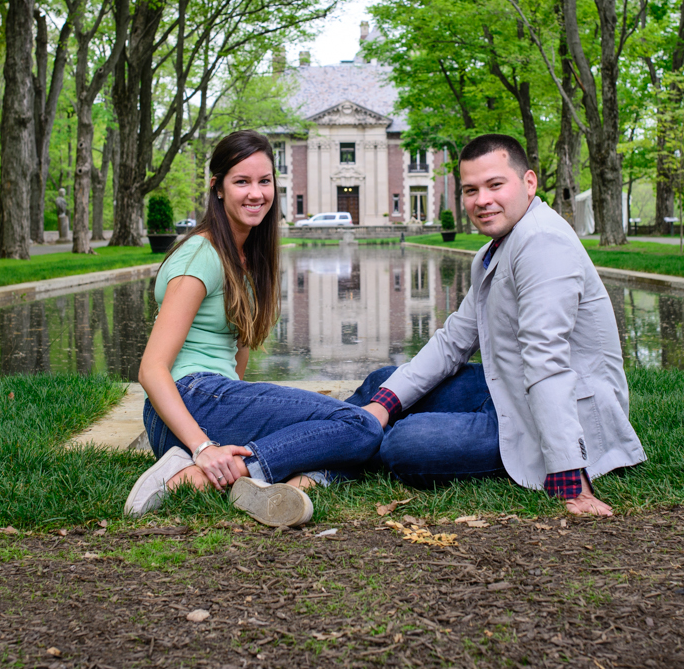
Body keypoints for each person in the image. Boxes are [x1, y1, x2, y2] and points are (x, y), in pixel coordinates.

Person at [347, 133, 645, 516]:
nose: (481, 200)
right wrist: (386, 404)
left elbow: (547, 359)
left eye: (495, 185)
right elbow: (453, 340)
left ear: (529, 183)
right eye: (471, 189)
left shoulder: (543, 243)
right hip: (505, 387)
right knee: (382, 384)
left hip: (564, 413)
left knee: (406, 444)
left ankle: (326, 458)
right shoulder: (494, 250)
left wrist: (569, 473)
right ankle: (322, 453)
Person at [124, 130, 383, 526]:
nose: (256, 193)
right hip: (189, 402)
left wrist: (238, 414)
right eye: (241, 182)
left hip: (208, 407)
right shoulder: (201, 255)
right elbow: (151, 369)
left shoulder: (248, 258)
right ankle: (203, 474)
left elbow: (237, 361)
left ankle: (291, 485)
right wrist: (204, 446)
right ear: (218, 189)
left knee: (352, 428)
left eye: (264, 182)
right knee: (359, 425)